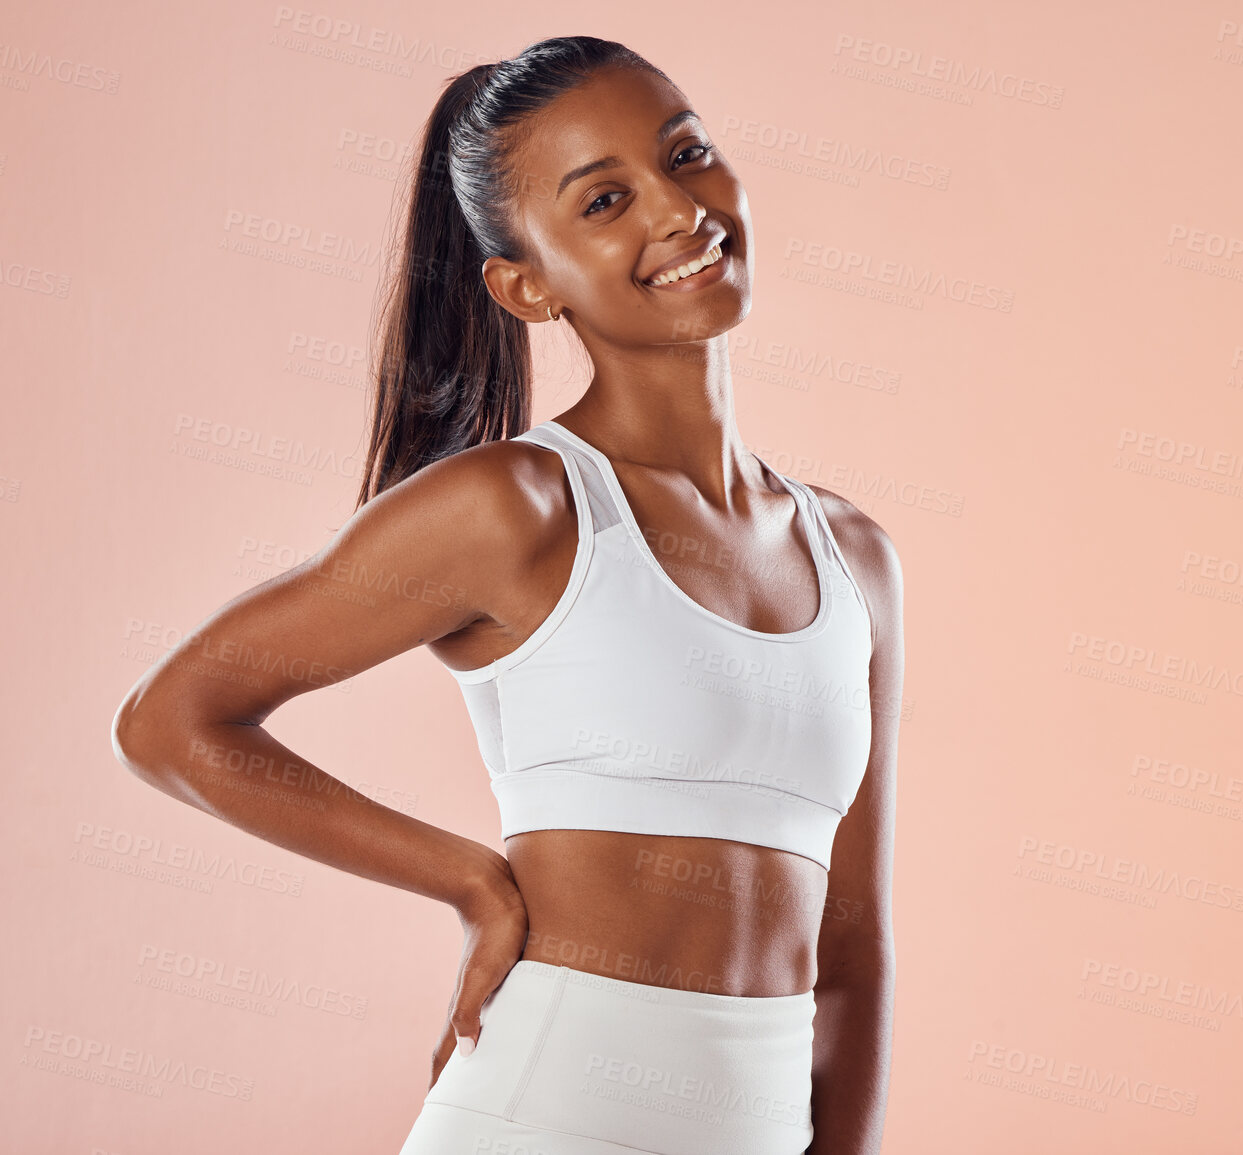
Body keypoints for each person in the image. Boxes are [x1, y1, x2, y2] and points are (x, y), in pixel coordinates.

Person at [111, 35, 903, 1155]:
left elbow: (856, 939)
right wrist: (472, 883)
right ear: (525, 284)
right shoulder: (516, 507)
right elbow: (170, 723)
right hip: (553, 1112)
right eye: (607, 200)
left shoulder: (855, 554)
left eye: (688, 156)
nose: (679, 211)